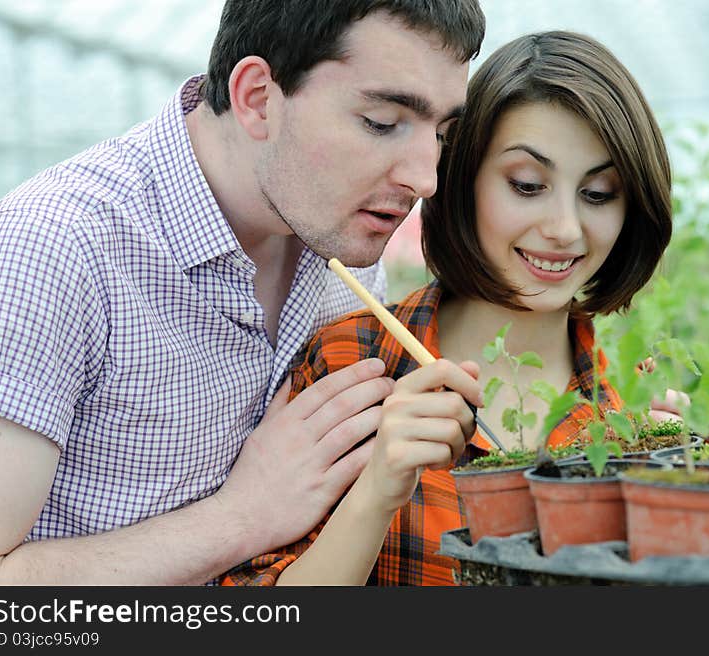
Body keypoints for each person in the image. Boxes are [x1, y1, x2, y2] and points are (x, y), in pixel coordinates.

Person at [0, 0, 485, 585]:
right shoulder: (51, 252)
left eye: (443, 133)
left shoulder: (335, 242)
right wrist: (242, 517)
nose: (425, 178)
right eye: (380, 122)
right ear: (256, 98)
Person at [220, 30, 681, 587]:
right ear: (461, 180)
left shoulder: (636, 407)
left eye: (599, 194)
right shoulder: (357, 360)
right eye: (528, 185)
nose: (564, 229)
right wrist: (379, 488)